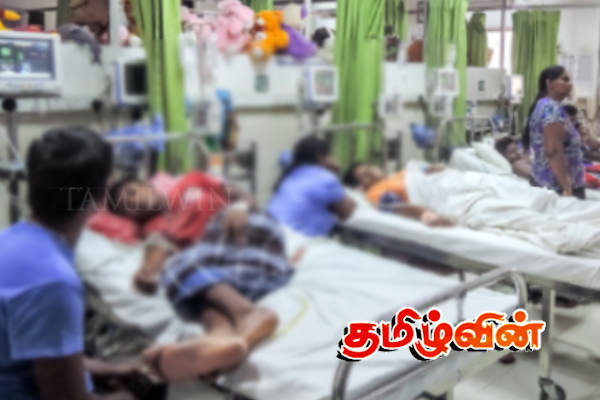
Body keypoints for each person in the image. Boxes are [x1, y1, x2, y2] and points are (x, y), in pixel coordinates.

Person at [0, 127, 141, 400]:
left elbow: (34, 351)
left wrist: (106, 370)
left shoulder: (8, 240)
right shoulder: (54, 282)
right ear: (102, 196)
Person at [267, 136, 357, 237]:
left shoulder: (291, 175)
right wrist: (336, 170)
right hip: (295, 240)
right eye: (330, 155)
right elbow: (346, 213)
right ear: (320, 156)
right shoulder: (325, 178)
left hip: (272, 234)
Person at [523, 66, 585, 199]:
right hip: (558, 186)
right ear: (549, 83)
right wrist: (567, 187)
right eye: (565, 79)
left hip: (544, 181)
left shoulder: (542, 105)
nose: (569, 84)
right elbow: (553, 151)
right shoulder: (552, 108)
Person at [342, 163, 454, 227]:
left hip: (447, 181)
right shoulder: (373, 194)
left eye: (368, 167)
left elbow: (424, 169)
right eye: (364, 175)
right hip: (442, 197)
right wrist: (428, 215)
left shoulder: (394, 175)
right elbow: (396, 207)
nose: (370, 171)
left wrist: (431, 168)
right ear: (361, 187)